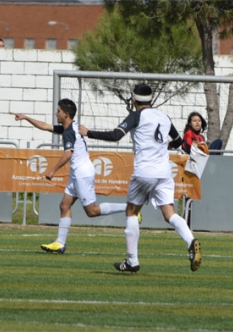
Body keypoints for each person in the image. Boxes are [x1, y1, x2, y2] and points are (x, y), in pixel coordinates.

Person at [79, 83, 202, 273]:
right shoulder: (164, 116)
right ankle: (191, 241)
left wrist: (88, 133)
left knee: (131, 211)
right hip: (164, 172)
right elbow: (178, 142)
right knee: (169, 213)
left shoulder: (136, 116)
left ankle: (132, 261)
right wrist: (162, 146)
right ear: (151, 100)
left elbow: (115, 136)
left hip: (145, 171)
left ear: (134, 100)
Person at [11, 99, 128, 254]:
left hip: (82, 174)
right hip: (77, 174)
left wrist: (52, 171)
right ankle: (60, 243)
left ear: (65, 114)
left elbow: (68, 154)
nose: (56, 113)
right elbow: (46, 126)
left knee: (91, 211)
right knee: (64, 206)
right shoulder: (70, 127)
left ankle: (130, 208)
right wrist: (26, 117)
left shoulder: (69, 132)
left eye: (58, 111)